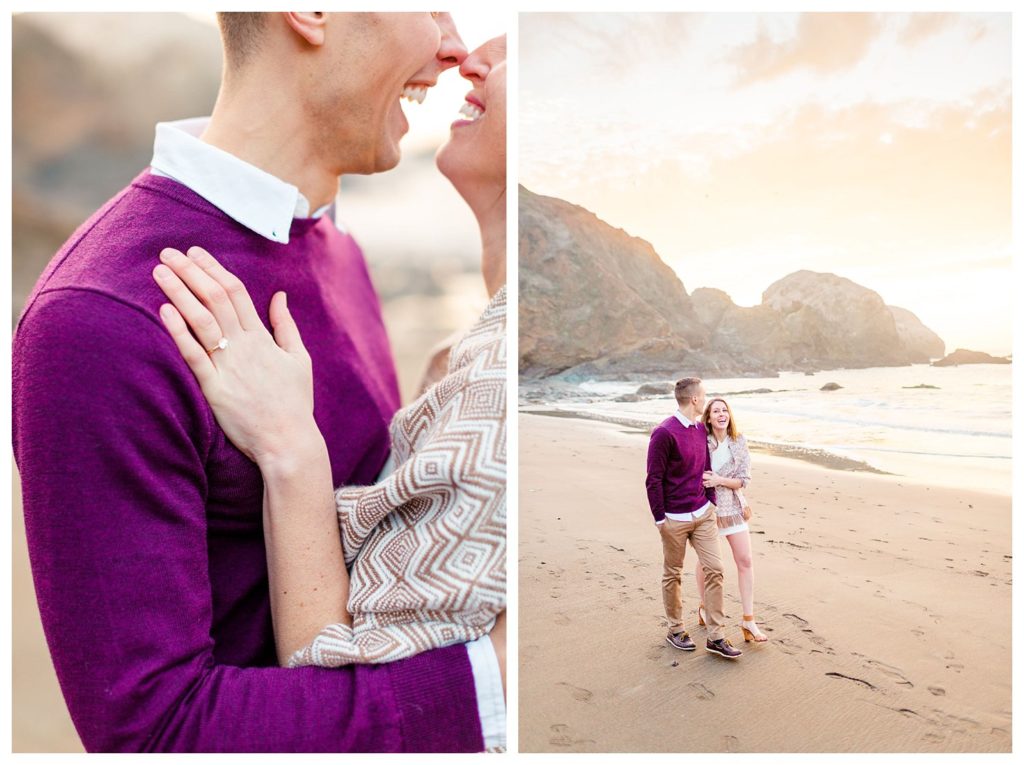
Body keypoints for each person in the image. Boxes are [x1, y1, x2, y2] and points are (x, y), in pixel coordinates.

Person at [13, 13, 502, 753]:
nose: (453, 45)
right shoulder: (93, 321)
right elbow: (153, 731)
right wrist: (487, 683)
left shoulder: (337, 250)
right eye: (430, 6)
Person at [152, 32, 507, 673]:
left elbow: (343, 685)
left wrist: (291, 447)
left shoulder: (497, 387)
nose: (465, 51)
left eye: (516, 54)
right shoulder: (465, 350)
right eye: (432, 7)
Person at [646, 377, 742, 659]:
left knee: (715, 569)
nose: (707, 398)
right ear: (696, 400)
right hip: (673, 519)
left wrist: (710, 502)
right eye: (705, 395)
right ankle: (675, 629)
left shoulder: (701, 429)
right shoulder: (664, 432)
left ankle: (716, 636)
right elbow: (653, 479)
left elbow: (706, 468)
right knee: (673, 573)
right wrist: (660, 519)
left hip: (703, 514)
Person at [695, 397, 768, 642]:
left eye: (724, 410)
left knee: (745, 561)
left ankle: (748, 621)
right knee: (706, 564)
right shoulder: (701, 442)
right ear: (708, 417)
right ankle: (705, 608)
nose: (721, 414)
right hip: (708, 510)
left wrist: (719, 480)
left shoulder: (739, 441)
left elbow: (743, 480)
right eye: (715, 411)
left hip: (734, 509)